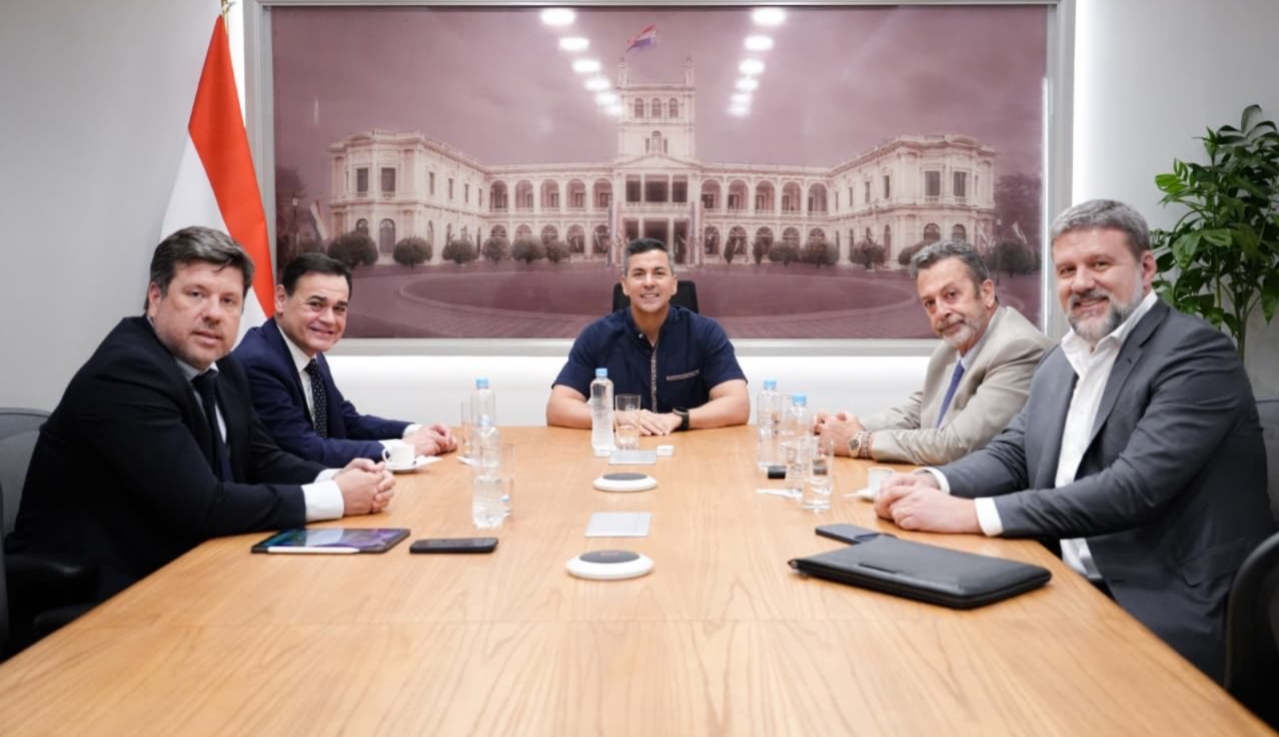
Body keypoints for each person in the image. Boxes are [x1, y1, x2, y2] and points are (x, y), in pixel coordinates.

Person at [873, 199, 1275, 680]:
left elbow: (1130, 489)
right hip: (1064, 579)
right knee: (926, 655)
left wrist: (970, 514)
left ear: (1147, 269)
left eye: (1099, 264)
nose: (1081, 283)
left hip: (1163, 597)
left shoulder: (1194, 354)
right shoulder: (1062, 360)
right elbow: (1013, 453)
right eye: (1067, 270)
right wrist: (933, 481)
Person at [8, 227, 396, 600]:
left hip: (195, 569)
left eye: (229, 301)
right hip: (106, 591)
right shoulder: (127, 372)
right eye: (196, 294)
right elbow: (203, 507)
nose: (214, 314)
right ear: (155, 297)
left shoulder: (223, 366)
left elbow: (262, 458)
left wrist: (335, 476)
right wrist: (336, 497)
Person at [815, 240, 1051, 465]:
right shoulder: (951, 345)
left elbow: (956, 444)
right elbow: (917, 411)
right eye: (930, 303)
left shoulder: (1018, 348)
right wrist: (844, 427)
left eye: (951, 295)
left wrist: (860, 442)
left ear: (986, 293)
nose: (941, 312)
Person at [234, 253, 455, 466]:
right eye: (316, 304)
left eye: (339, 309)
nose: (329, 319)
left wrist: (417, 431)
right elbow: (306, 450)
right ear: (281, 299)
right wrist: (403, 448)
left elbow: (346, 421)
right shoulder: (259, 362)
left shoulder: (310, 353)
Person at [547, 238, 749, 434]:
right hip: (625, 445)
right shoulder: (597, 336)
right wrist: (620, 418)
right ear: (625, 285)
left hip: (690, 448)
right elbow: (557, 408)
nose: (649, 282)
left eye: (659, 273)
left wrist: (678, 418)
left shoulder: (705, 333)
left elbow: (739, 404)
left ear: (674, 284)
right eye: (639, 274)